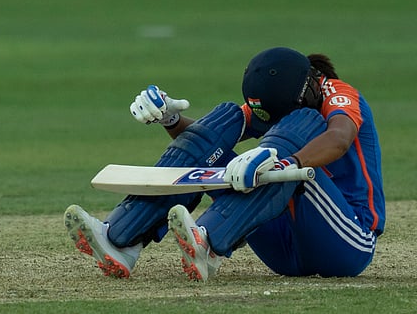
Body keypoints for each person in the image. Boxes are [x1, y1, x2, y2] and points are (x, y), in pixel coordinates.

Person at [64, 47, 385, 281]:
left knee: (294, 137)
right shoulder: (282, 106)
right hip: (284, 252)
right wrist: (169, 119)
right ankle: (123, 238)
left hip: (348, 242)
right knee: (225, 120)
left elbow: (340, 139)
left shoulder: (337, 94)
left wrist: (283, 161)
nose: (277, 122)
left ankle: (212, 240)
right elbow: (206, 144)